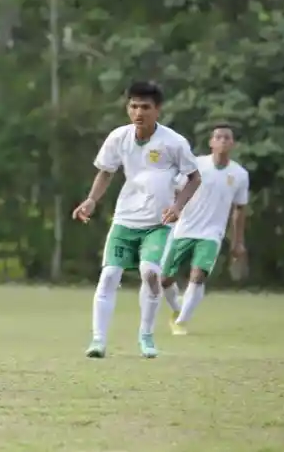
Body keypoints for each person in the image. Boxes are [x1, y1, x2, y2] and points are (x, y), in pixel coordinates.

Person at [71, 81, 201, 359]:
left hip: (158, 223)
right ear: (127, 108)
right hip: (125, 219)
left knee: (150, 273)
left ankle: (146, 336)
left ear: (158, 110)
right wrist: (92, 200)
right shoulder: (119, 137)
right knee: (108, 276)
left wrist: (178, 206)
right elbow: (106, 172)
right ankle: (98, 341)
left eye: (145, 107)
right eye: (133, 106)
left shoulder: (174, 142)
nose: (138, 112)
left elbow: (194, 178)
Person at [161, 124, 249, 335]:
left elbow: (239, 209)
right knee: (165, 280)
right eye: (218, 137)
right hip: (183, 228)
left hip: (212, 234)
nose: (223, 141)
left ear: (232, 143)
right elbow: (175, 191)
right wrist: (173, 211)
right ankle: (178, 309)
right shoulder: (196, 165)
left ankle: (181, 322)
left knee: (198, 275)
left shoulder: (239, 174)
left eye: (227, 138)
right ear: (211, 142)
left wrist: (238, 242)